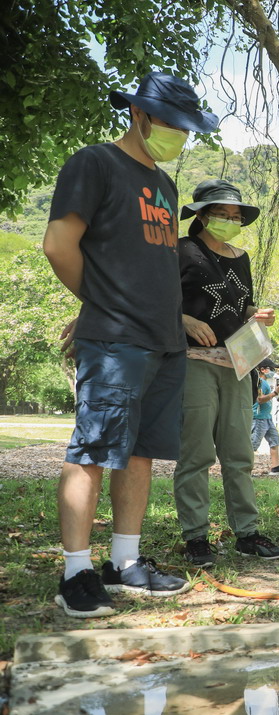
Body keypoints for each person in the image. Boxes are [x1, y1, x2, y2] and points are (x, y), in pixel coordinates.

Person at [42, 71, 218, 617]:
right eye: (171, 124)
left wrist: (177, 320)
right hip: (115, 340)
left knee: (140, 454)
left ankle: (125, 563)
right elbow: (58, 245)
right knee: (94, 450)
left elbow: (155, 267)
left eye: (187, 128)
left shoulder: (164, 186)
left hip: (164, 342)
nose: (180, 136)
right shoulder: (94, 163)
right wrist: (102, 304)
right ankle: (77, 573)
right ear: (139, 115)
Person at [174, 180, 279, 567]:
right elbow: (155, 301)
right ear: (202, 214)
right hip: (194, 362)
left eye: (235, 216)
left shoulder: (241, 257)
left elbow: (242, 308)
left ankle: (247, 533)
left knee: (239, 453)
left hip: (239, 363)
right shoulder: (181, 250)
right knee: (197, 453)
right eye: (221, 214)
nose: (229, 221)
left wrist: (258, 315)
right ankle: (196, 537)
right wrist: (185, 319)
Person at [251, 360, 279, 475]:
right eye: (271, 368)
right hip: (258, 418)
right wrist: (275, 392)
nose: (273, 371)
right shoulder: (259, 382)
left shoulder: (265, 382)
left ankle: (276, 466)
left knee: (274, 439)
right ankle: (244, 469)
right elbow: (260, 399)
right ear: (262, 369)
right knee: (252, 444)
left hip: (267, 417)